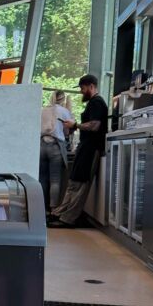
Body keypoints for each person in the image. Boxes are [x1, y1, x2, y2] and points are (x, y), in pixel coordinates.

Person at [50, 74, 108, 228]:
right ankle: (60, 213)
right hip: (85, 147)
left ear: (91, 86)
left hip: (91, 149)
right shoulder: (93, 103)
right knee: (74, 182)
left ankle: (68, 218)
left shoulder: (97, 103)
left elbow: (95, 126)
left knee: (81, 184)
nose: (82, 92)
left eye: (83, 88)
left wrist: (75, 125)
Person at [39, 90, 75, 212]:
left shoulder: (42, 110)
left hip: (41, 145)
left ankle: (41, 208)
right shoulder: (65, 111)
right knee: (55, 179)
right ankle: (53, 209)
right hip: (55, 146)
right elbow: (67, 132)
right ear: (63, 99)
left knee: (42, 178)